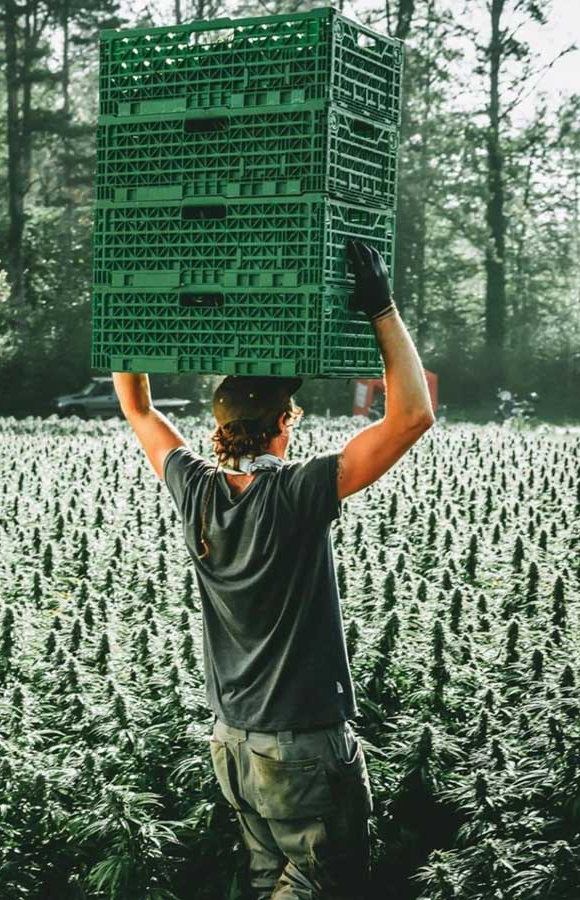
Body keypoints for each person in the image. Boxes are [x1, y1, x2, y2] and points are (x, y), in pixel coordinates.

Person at [112, 242, 435, 899]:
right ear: (285, 423)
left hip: (233, 741)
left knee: (266, 881)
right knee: (321, 883)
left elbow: (139, 410)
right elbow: (412, 418)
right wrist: (382, 308)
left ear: (221, 425)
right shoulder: (297, 492)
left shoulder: (194, 487)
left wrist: (130, 317)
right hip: (300, 750)